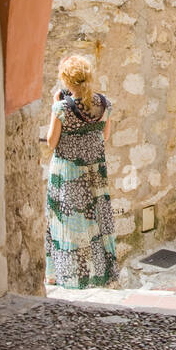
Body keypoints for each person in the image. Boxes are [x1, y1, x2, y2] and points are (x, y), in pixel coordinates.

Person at [42, 54, 116, 288]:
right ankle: (100, 273)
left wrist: (54, 108)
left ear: (66, 80)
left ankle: (62, 274)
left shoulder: (62, 107)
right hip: (94, 172)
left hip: (67, 173)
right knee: (96, 220)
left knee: (64, 222)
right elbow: (104, 136)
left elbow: (51, 142)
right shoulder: (104, 104)